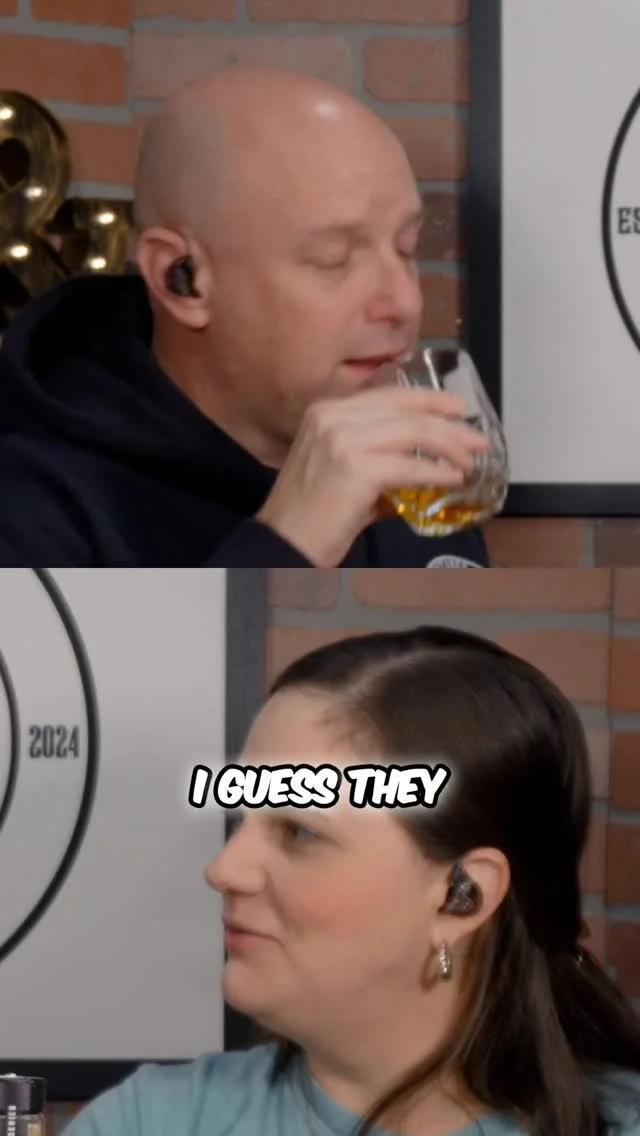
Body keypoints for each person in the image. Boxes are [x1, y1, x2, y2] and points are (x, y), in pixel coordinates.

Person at [63, 626, 640, 1135]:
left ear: (461, 896)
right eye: (242, 818)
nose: (223, 870)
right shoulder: (147, 1122)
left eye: (299, 831)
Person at [0, 68, 491, 567]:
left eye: (407, 247)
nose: (406, 302)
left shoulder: (424, 488)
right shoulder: (30, 512)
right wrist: (285, 547)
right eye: (334, 258)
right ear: (182, 279)